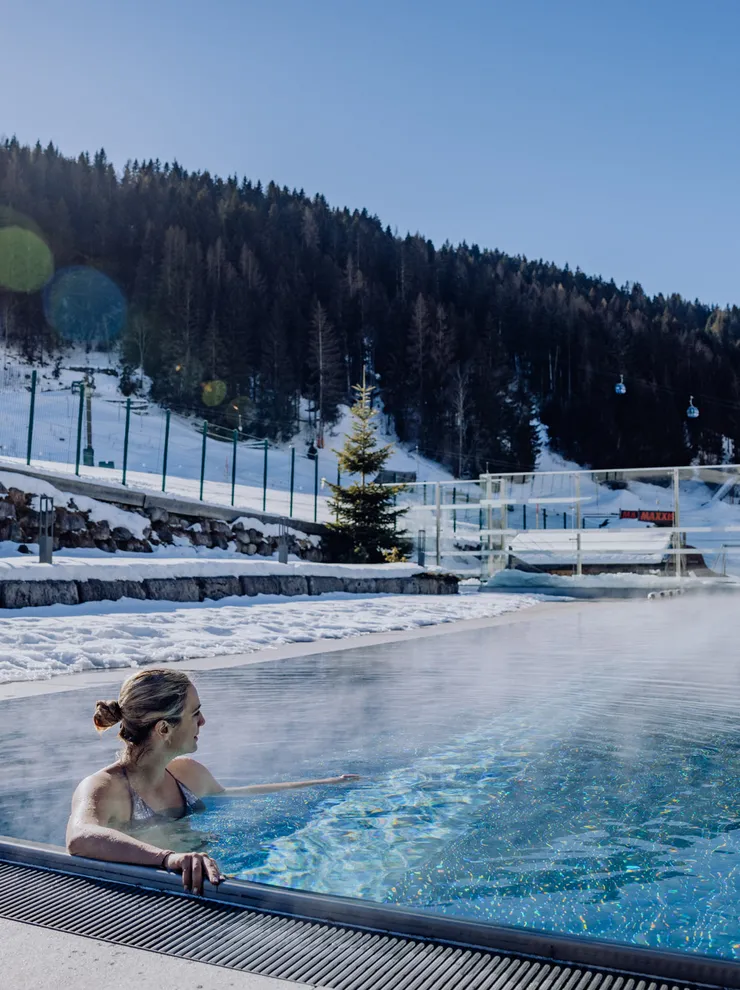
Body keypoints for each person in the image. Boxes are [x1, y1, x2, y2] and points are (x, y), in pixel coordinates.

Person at [66, 668, 359, 894]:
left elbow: (237, 796)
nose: (203, 721)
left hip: (208, 882)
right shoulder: (106, 788)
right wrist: (169, 859)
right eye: (194, 713)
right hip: (153, 898)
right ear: (164, 728)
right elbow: (80, 837)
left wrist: (326, 784)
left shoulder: (187, 774)